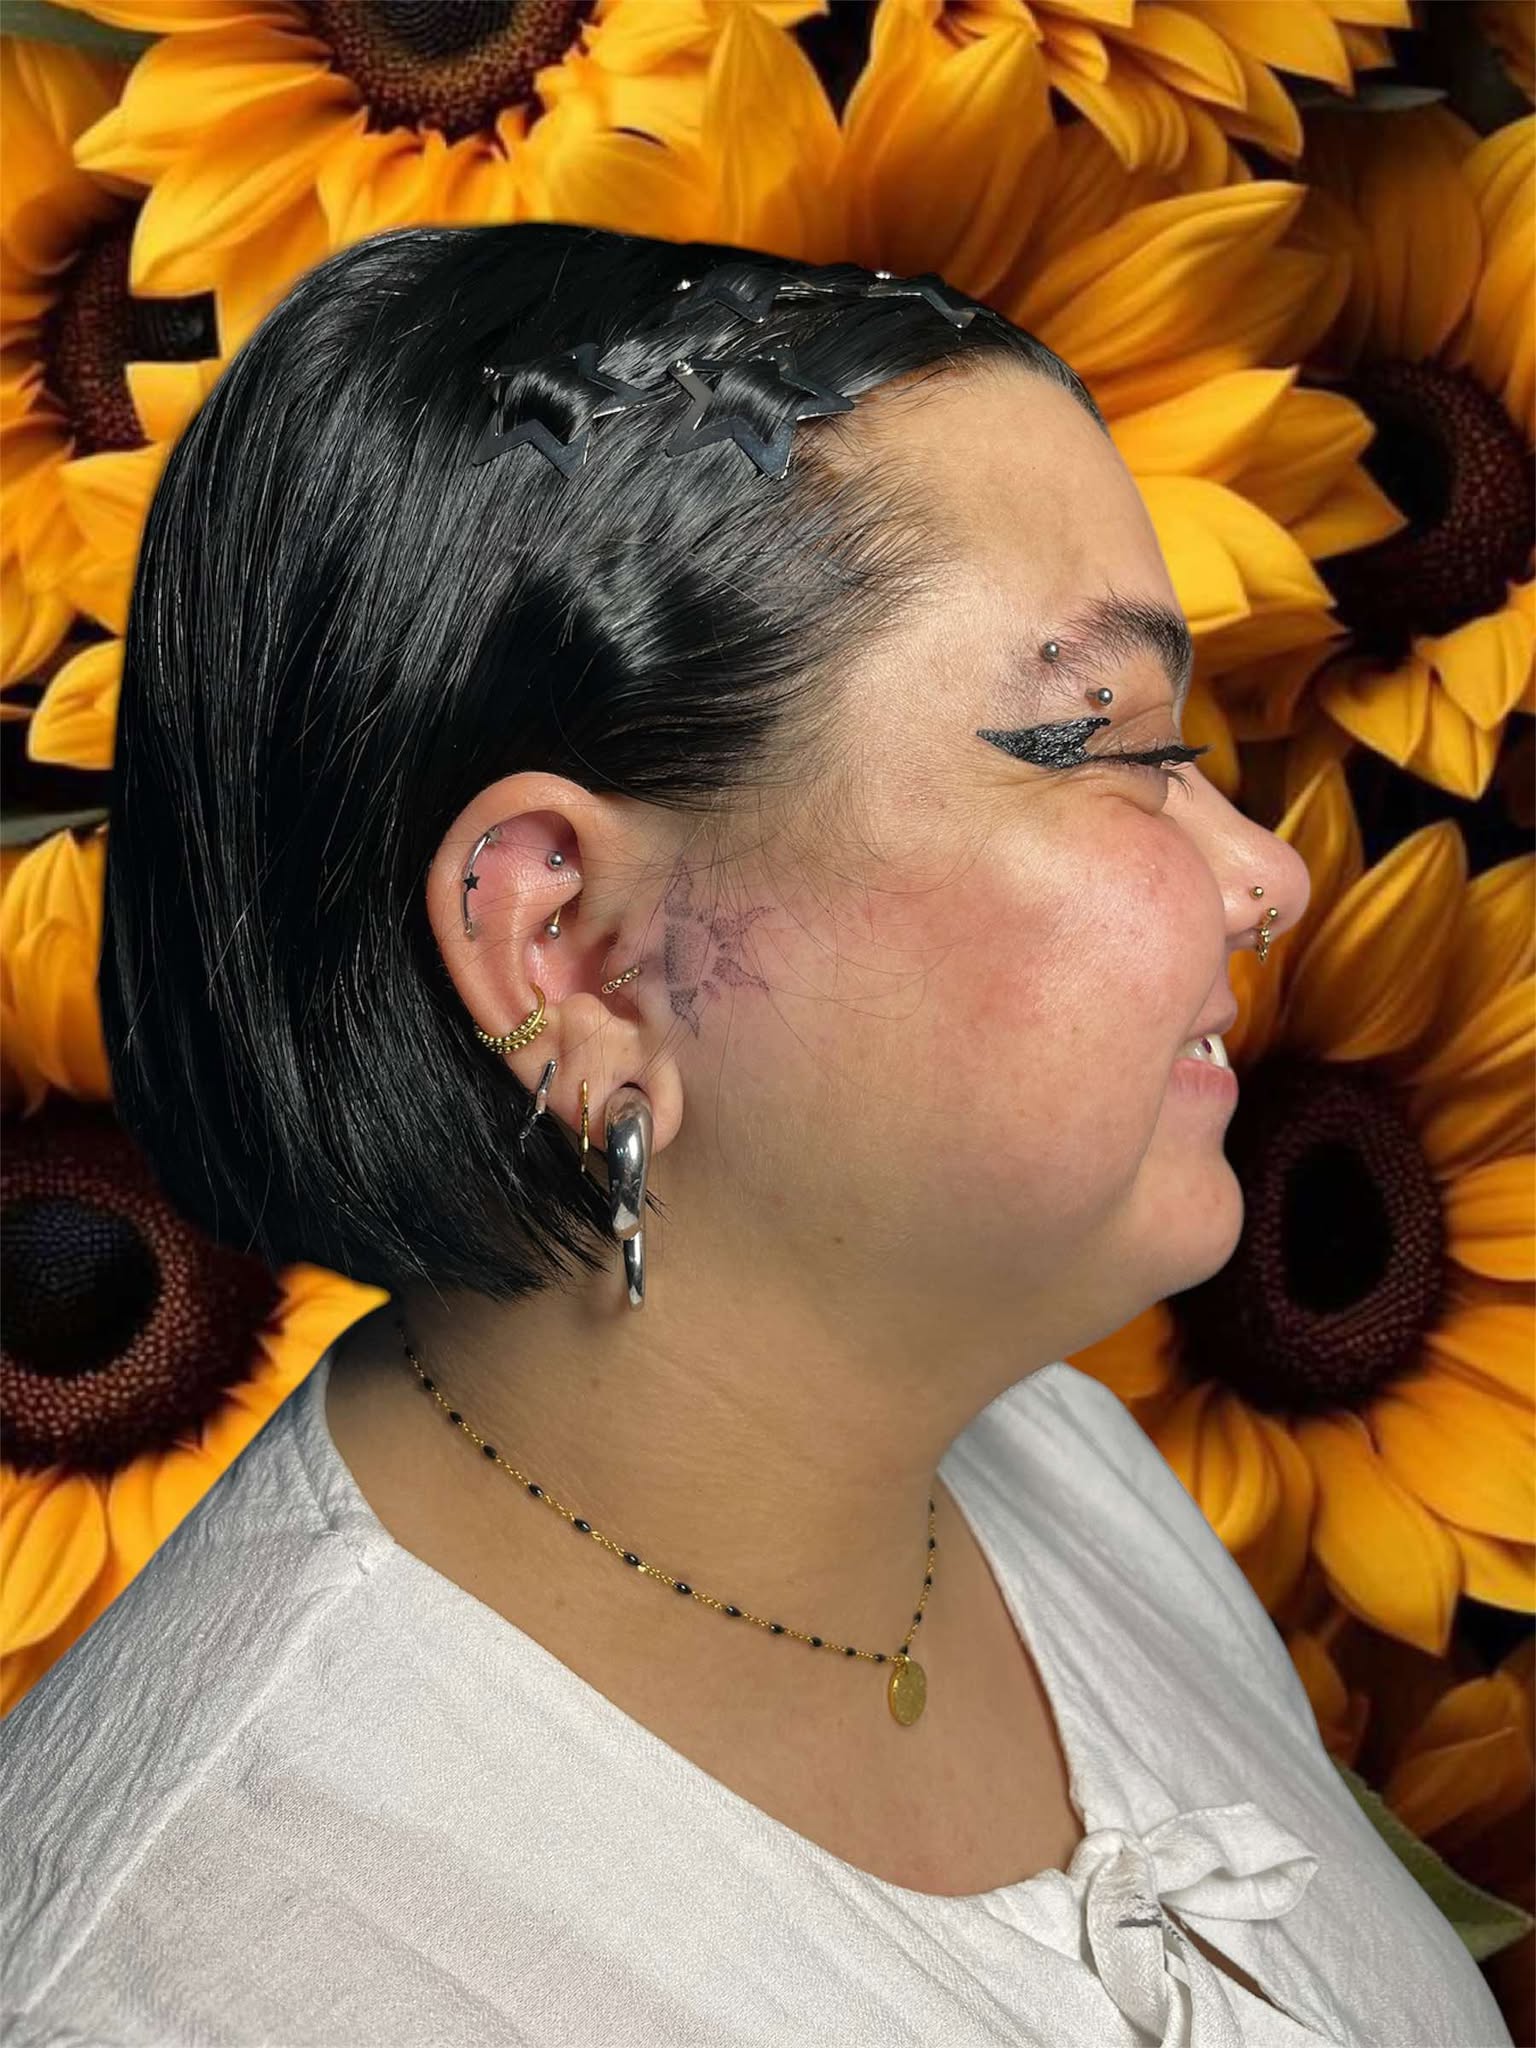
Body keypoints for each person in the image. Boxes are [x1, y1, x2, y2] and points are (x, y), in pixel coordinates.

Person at [1, 224, 1512, 2048]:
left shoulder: (1056, 1463)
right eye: (1103, 743)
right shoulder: (210, 1980)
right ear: (577, 956)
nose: (1269, 877)